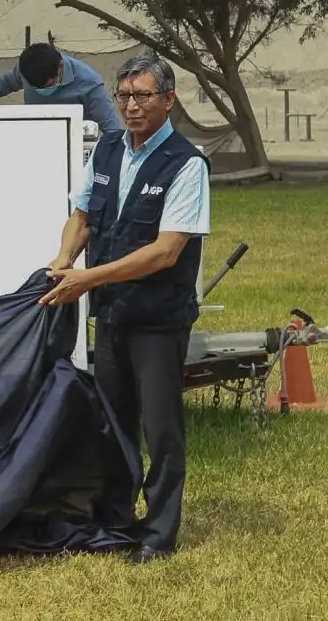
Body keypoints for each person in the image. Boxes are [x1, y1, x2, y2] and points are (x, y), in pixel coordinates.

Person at [37, 52, 209, 564]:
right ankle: (114, 521)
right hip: (111, 316)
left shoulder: (186, 164)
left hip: (158, 320)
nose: (132, 107)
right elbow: (82, 216)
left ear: (168, 100)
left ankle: (158, 534)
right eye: (125, 96)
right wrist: (64, 258)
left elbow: (165, 252)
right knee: (113, 424)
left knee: (161, 430)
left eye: (143, 96)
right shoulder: (108, 150)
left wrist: (88, 279)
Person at [0, 42, 123, 134]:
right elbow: (4, 84)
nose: (43, 91)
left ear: (60, 66)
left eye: (49, 85)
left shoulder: (89, 83)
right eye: (35, 87)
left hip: (73, 146)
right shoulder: (26, 72)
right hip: (38, 135)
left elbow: (111, 127)